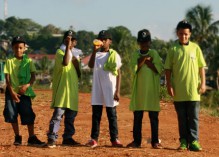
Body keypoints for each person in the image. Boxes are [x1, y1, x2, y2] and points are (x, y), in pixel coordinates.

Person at [164, 20, 206, 151]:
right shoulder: (173, 49)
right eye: (181, 34)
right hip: (179, 91)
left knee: (193, 117)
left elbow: (201, 67)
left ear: (190, 34)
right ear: (177, 34)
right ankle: (183, 141)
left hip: (194, 91)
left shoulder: (195, 48)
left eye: (186, 34)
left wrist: (203, 83)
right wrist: (169, 85)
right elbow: (168, 69)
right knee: (182, 118)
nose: (184, 36)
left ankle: (194, 141)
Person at [3, 36, 45, 146]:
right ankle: (17, 136)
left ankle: (31, 137)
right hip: (11, 92)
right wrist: (11, 92)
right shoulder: (9, 61)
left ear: (24, 48)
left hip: (24, 92)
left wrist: (27, 86)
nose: (18, 50)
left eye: (21, 48)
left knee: (28, 113)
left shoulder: (29, 61)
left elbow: (33, 76)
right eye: (16, 47)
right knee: (11, 113)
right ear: (12, 48)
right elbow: (7, 78)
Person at [126, 29, 163, 149]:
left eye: (147, 41)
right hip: (139, 92)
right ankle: (136, 141)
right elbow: (134, 69)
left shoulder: (154, 54)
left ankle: (155, 141)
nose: (144, 44)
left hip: (152, 91)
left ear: (150, 42)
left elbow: (159, 69)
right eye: (142, 42)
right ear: (138, 42)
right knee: (137, 117)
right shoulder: (135, 54)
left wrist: (148, 63)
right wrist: (144, 60)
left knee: (154, 118)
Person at [86, 30, 123, 148]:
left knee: (112, 115)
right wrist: (94, 51)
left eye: (104, 40)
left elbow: (119, 73)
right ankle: (94, 138)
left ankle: (114, 139)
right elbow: (90, 65)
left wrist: (117, 90)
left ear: (109, 41)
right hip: (98, 88)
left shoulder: (114, 55)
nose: (102, 42)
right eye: (100, 39)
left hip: (110, 89)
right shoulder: (96, 55)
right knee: (96, 115)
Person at [47, 30, 81, 148]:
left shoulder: (76, 55)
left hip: (72, 91)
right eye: (67, 39)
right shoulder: (60, 52)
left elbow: (79, 73)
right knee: (58, 115)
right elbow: (66, 62)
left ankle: (68, 137)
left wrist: (76, 60)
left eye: (72, 40)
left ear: (75, 42)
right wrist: (67, 47)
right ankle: (52, 137)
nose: (69, 42)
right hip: (62, 91)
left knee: (70, 117)